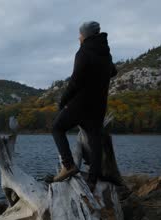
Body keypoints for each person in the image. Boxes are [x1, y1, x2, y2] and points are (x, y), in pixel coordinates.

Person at [52, 21, 117, 192]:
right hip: (98, 106)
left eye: (80, 34)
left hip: (80, 104)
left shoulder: (83, 52)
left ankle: (68, 165)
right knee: (95, 140)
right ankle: (93, 180)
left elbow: (75, 81)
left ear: (86, 35)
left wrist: (63, 101)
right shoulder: (106, 53)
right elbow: (113, 71)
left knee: (57, 128)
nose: (78, 37)